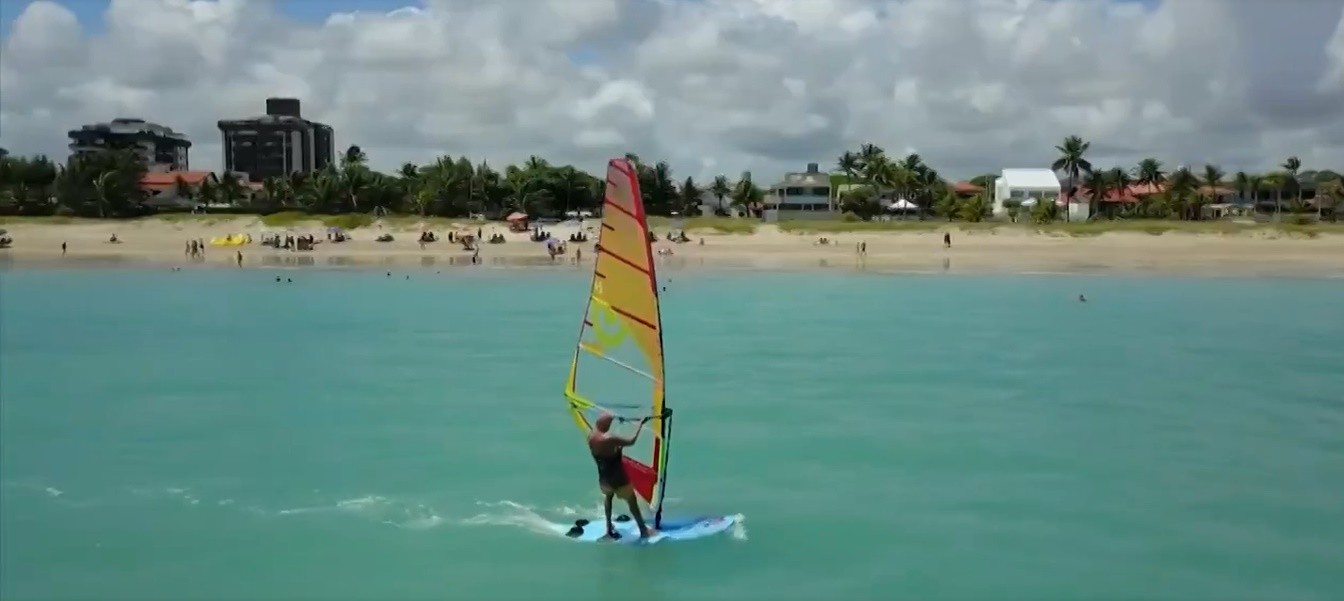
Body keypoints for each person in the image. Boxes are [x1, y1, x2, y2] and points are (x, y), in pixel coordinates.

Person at [587, 412, 656, 540]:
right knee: (632, 502)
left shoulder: (591, 437)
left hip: (604, 479)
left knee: (608, 498)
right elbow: (631, 441)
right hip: (618, 479)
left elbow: (605, 454)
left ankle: (608, 529)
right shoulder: (609, 438)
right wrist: (639, 425)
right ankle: (643, 530)